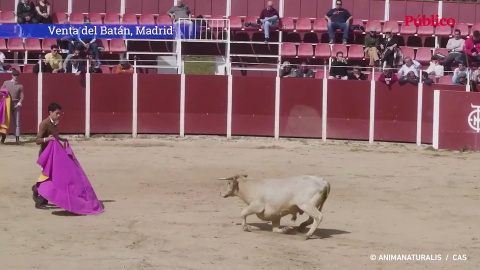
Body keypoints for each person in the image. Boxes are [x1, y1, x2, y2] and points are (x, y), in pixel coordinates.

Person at [32, 103, 65, 209]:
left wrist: (62, 141)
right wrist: (46, 139)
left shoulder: (54, 123)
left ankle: (37, 189)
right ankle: (40, 202)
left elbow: (55, 137)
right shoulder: (44, 124)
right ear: (50, 112)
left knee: (51, 177)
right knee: (48, 178)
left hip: (53, 156)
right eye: (57, 113)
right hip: (45, 155)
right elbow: (37, 140)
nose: (59, 115)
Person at [1, 69, 23, 145]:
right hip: (7, 103)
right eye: (14, 75)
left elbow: (22, 96)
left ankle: (17, 139)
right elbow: (1, 91)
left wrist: (19, 103)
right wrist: (4, 93)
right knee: (5, 121)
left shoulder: (20, 86)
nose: (15, 77)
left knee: (17, 121)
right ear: (12, 75)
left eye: (17, 75)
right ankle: (3, 138)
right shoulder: (6, 83)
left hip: (15, 103)